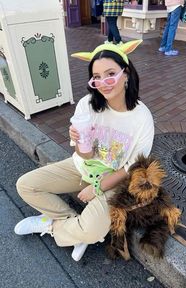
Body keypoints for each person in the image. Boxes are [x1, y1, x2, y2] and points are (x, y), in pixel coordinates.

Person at [14, 40, 155, 262]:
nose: (103, 83)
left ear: (126, 74)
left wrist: (97, 187)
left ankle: (53, 226)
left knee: (94, 231)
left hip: (115, 180)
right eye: (96, 77)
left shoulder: (142, 118)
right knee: (25, 185)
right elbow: (86, 155)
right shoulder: (87, 105)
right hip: (82, 167)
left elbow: (130, 169)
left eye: (110, 74)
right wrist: (78, 141)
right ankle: (74, 226)